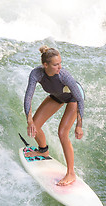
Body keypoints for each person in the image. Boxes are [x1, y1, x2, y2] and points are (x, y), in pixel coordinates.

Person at [24, 45, 84, 186]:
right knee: (36, 126)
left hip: (73, 99)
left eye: (60, 63)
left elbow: (80, 98)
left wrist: (79, 125)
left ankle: (71, 173)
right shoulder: (36, 74)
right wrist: (29, 120)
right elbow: (28, 98)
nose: (60, 67)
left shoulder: (64, 76)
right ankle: (43, 151)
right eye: (56, 64)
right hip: (56, 96)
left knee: (62, 132)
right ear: (45, 65)